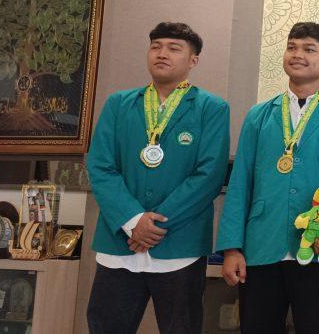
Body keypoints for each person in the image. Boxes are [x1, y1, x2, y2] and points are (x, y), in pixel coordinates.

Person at [216, 22, 319, 333]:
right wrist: (232, 247)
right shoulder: (259, 115)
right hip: (261, 247)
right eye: (292, 47)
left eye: (309, 49)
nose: (297, 54)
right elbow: (241, 182)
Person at [87, 22, 230, 334]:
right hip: (119, 243)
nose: (162, 53)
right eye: (156, 46)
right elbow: (100, 167)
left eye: (174, 48)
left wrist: (155, 225)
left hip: (180, 246)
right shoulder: (119, 104)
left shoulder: (212, 108)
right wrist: (133, 220)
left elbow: (209, 175)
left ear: (193, 60)